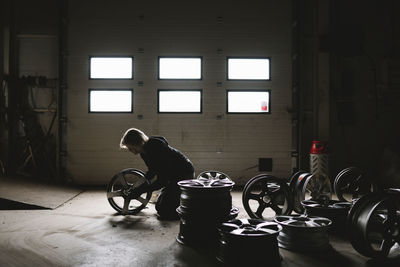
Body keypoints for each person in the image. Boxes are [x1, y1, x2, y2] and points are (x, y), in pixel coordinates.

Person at [120, 128, 194, 220]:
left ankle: (191, 206)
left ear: (137, 142)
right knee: (159, 207)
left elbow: (162, 181)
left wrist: (141, 190)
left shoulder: (158, 149)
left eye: (130, 147)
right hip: (172, 176)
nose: (130, 150)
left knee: (165, 211)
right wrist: (137, 187)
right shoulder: (144, 153)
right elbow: (152, 172)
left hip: (183, 174)